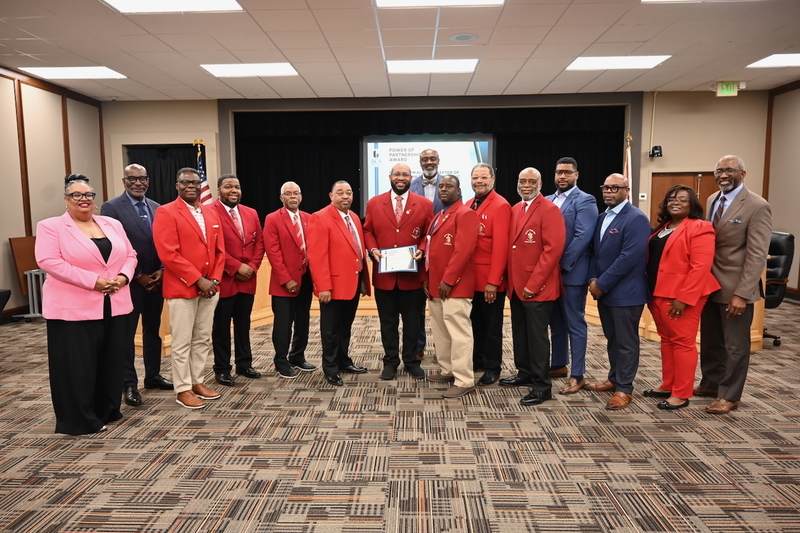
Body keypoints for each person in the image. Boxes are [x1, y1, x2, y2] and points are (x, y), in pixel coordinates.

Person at [35, 174, 137, 435]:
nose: (84, 199)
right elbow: (50, 262)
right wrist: (95, 281)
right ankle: (78, 419)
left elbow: (130, 254)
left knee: (110, 362)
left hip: (114, 302)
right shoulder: (51, 226)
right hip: (72, 309)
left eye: (88, 195)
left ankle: (106, 409)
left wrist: (123, 277)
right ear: (66, 200)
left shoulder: (111, 223)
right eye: (77, 195)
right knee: (77, 367)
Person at [697, 155, 772, 414]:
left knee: (735, 346)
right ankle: (710, 383)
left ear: (743, 173)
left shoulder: (757, 205)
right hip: (709, 285)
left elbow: (756, 255)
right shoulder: (712, 199)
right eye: (719, 170)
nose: (723, 175)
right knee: (710, 340)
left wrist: (742, 293)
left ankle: (730, 395)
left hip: (736, 289)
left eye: (729, 170)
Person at [100, 163, 173, 408]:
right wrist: (138, 274)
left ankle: (152, 376)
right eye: (132, 179)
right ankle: (128, 384)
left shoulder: (157, 208)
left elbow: (165, 243)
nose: (138, 183)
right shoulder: (111, 208)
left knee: (153, 332)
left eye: (142, 179)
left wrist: (161, 271)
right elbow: (113, 246)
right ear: (124, 181)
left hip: (157, 281)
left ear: (148, 181)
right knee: (127, 335)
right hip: (129, 283)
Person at [153, 167, 225, 409]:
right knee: (182, 341)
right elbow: (168, 254)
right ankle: (182, 388)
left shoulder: (211, 214)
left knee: (202, 338)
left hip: (210, 289)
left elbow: (220, 251)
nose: (191, 186)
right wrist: (198, 279)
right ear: (177, 186)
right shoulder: (166, 212)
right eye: (185, 182)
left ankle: (197, 381)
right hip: (183, 288)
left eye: (195, 182)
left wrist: (213, 280)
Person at [644, 185, 719, 410]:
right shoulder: (663, 227)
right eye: (672, 198)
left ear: (692, 205)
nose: (676, 202)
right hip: (657, 292)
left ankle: (681, 393)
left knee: (683, 343)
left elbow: (700, 267)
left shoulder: (700, 227)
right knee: (667, 341)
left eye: (683, 200)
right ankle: (668, 384)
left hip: (681, 296)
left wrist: (685, 298)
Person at [584, 174, 650, 410]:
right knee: (613, 339)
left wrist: (601, 284)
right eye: (605, 187)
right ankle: (614, 379)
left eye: (614, 188)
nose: (608, 192)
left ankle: (624, 389)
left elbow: (629, 258)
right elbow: (595, 253)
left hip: (626, 293)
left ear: (626, 191)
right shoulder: (603, 217)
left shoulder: (636, 219)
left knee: (626, 342)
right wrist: (593, 278)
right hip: (605, 291)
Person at [501, 168, 566, 406]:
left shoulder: (550, 210)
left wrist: (534, 284)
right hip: (517, 286)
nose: (526, 185)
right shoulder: (514, 209)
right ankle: (524, 373)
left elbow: (553, 251)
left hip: (538, 287)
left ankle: (542, 387)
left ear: (540, 184)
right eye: (522, 181)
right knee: (520, 332)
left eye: (531, 181)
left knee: (537, 338)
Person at [364, 163, 431, 381]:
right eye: (397, 174)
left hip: (412, 276)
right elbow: (368, 231)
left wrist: (422, 249)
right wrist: (372, 248)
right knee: (388, 322)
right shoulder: (374, 203)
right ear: (390, 176)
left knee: (413, 322)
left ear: (412, 177)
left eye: (405, 174)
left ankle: (411, 361)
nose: (400, 178)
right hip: (384, 277)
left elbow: (428, 234)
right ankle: (391, 361)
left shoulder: (425, 204)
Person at [307, 181, 370, 386]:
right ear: (331, 195)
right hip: (332, 286)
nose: (345, 196)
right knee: (330, 330)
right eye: (340, 193)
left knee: (345, 327)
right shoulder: (320, 217)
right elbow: (316, 256)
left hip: (352, 283)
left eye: (349, 193)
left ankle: (344, 361)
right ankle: (330, 368)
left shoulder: (353, 217)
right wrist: (323, 286)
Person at [422, 175, 479, 398]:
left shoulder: (466, 214)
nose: (444, 189)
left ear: (459, 190)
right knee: (441, 331)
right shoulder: (439, 215)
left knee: (459, 332)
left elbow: (463, 251)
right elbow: (430, 251)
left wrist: (448, 280)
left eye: (449, 186)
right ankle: (448, 370)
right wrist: (426, 278)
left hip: (455, 286)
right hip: (437, 286)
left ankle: (464, 379)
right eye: (441, 186)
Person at [545, 157, 598, 395]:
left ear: (576, 175)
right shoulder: (546, 200)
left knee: (575, 324)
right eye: (558, 173)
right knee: (555, 322)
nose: (562, 177)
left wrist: (559, 264)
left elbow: (582, 236)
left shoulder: (586, 200)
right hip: (548, 274)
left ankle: (578, 374)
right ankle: (558, 364)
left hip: (571, 272)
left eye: (567, 173)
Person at [210, 174, 265, 386]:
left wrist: (251, 267)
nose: (234, 190)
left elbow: (259, 243)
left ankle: (244, 363)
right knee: (221, 328)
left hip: (247, 279)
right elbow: (214, 247)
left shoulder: (251, 213)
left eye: (237, 187)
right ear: (218, 190)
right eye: (228, 187)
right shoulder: (210, 212)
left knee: (243, 325)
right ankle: (222, 369)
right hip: (224, 279)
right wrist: (236, 266)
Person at [263, 181, 317, 378]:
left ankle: (297, 356)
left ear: (301, 197)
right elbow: (273, 252)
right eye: (288, 193)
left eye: (296, 193)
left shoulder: (309, 218)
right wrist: (286, 279)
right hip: (284, 282)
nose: (292, 196)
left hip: (306, 279)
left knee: (302, 321)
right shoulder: (272, 219)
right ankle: (281, 360)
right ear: (281, 198)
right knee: (283, 324)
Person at [467, 163, 511, 386]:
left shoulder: (501, 205)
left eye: (483, 177)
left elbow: (502, 248)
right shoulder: (468, 204)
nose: (479, 181)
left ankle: (493, 367)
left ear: (493, 179)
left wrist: (494, 281)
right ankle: (478, 360)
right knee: (475, 323)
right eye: (475, 177)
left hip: (489, 281)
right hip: (469, 281)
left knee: (492, 327)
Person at [409, 148, 443, 359]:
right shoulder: (410, 185)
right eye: (425, 159)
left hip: (441, 252)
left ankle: (444, 348)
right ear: (420, 162)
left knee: (443, 303)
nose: (429, 162)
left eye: (432, 159)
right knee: (416, 305)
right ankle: (419, 345)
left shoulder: (450, 184)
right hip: (417, 254)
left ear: (438, 161)